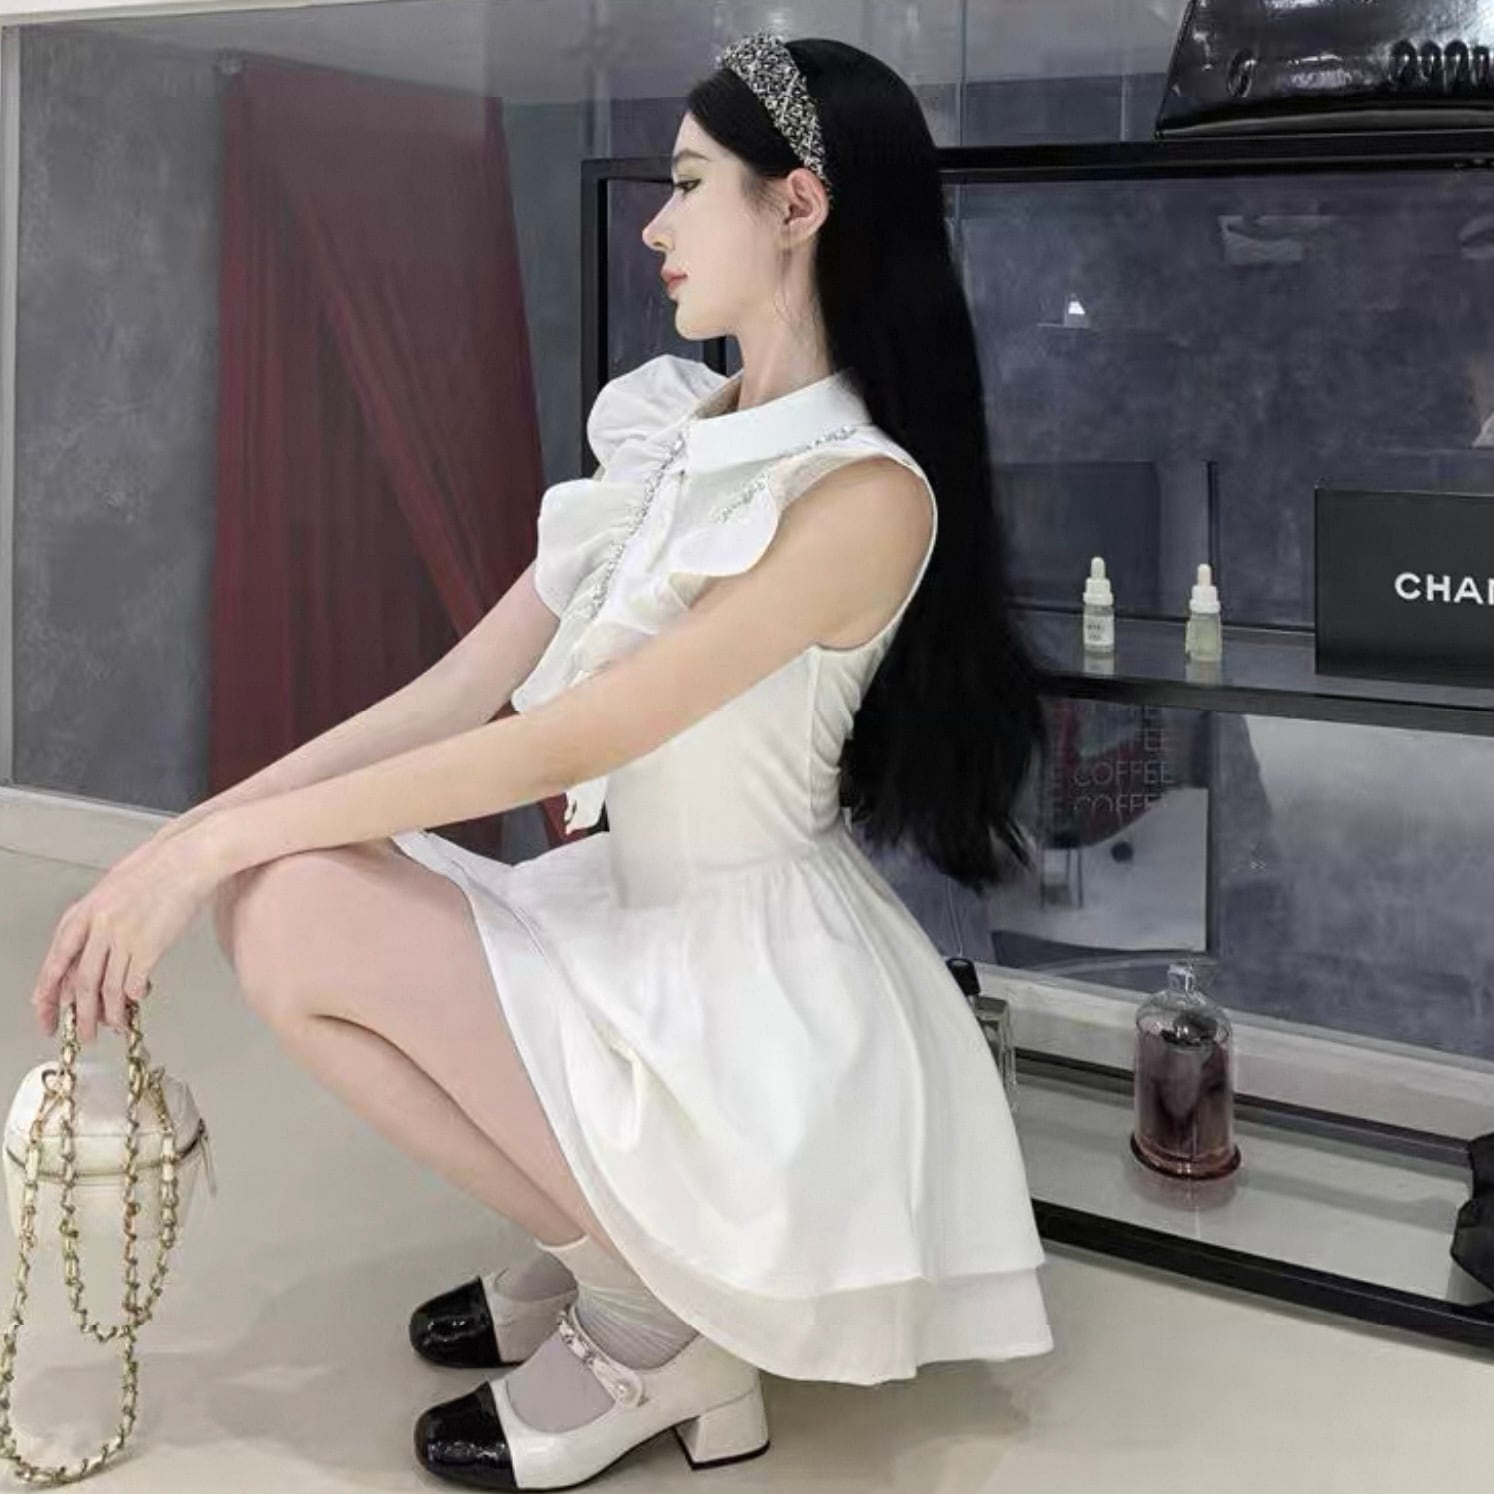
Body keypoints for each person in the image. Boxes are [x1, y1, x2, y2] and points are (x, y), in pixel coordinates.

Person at [31, 30, 1053, 1494]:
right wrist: (186, 840)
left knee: (292, 904)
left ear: (797, 205)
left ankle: (658, 1326)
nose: (655, 223)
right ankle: (613, 1259)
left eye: (688, 183)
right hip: (635, 902)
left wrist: (213, 851)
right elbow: (462, 690)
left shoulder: (859, 493)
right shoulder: (674, 434)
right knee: (275, 889)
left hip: (744, 975)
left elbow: (578, 735)